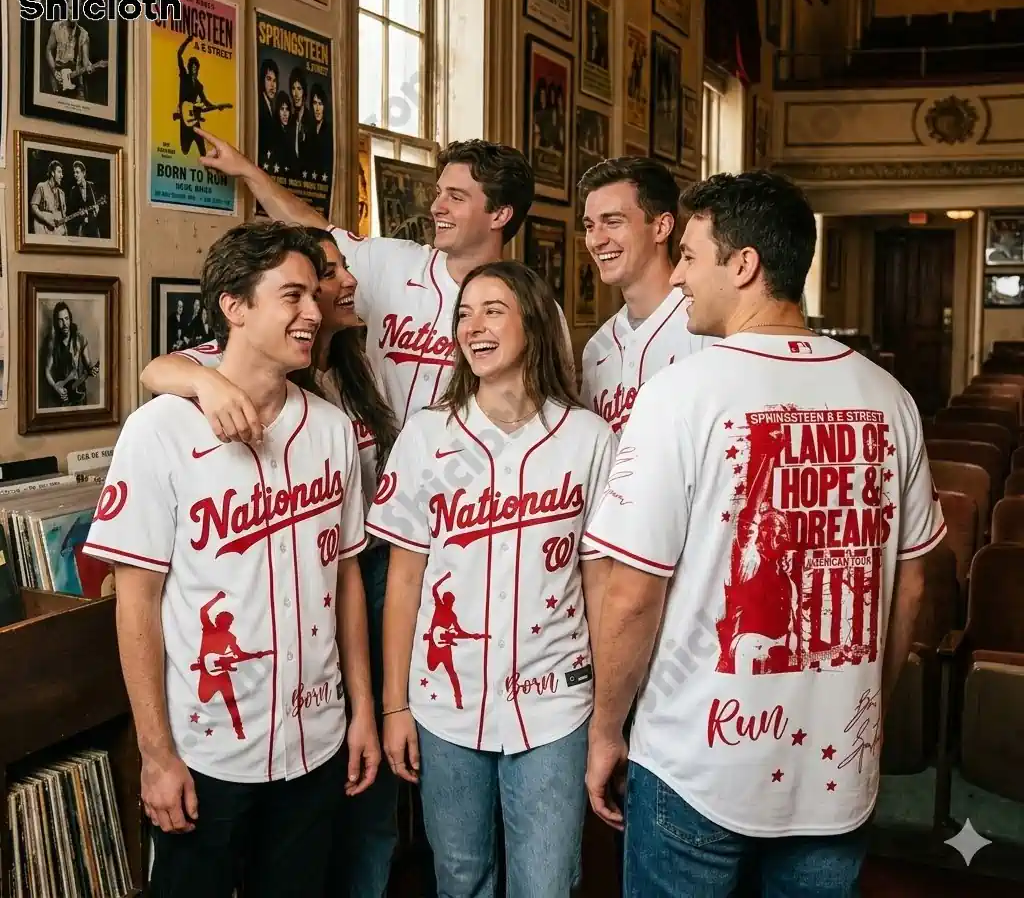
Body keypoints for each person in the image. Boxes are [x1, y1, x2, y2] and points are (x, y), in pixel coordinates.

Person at [582, 171, 943, 897]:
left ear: (742, 265)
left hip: (696, 763)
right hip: (838, 764)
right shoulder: (889, 398)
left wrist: (605, 730)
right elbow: (913, 585)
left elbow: (629, 594)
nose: (679, 276)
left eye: (689, 255)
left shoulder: (681, 397)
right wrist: (862, 700)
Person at [81, 222, 380, 898]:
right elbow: (137, 603)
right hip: (207, 749)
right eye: (292, 296)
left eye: (316, 295)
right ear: (235, 306)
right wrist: (156, 754)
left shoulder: (331, 429)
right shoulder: (159, 430)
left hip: (316, 739)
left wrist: (362, 709)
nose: (314, 312)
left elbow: (347, 577)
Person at [367, 260, 615, 898]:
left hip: (554, 701)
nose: (473, 327)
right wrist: (395, 705)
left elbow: (604, 586)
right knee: (461, 880)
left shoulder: (587, 439)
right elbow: (404, 585)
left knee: (547, 885)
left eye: (493, 310)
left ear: (532, 322)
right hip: (446, 703)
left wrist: (614, 712)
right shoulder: (426, 436)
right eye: (463, 313)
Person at [191, 129, 571, 431]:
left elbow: (554, 408)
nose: (437, 206)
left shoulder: (534, 307)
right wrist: (249, 173)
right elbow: (314, 232)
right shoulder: (394, 262)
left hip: (467, 492)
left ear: (500, 214)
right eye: (439, 193)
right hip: (379, 471)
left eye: (456, 197)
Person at [579, 157, 711, 437]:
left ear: (661, 227)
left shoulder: (707, 331)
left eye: (612, 222)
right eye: (590, 226)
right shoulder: (597, 349)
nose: (596, 240)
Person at [44, 301, 98, 406]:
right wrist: (56, 387)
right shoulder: (52, 343)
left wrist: (93, 370)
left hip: (79, 394)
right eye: (60, 320)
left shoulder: (80, 339)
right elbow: (47, 371)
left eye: (66, 319)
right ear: (56, 322)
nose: (65, 324)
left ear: (70, 318)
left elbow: (89, 366)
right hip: (62, 395)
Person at [29, 160, 67, 234]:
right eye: (59, 172)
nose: (62, 175)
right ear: (52, 173)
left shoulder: (62, 194)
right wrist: (45, 218)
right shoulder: (41, 186)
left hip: (56, 232)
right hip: (42, 229)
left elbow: (63, 216)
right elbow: (33, 206)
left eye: (62, 173)